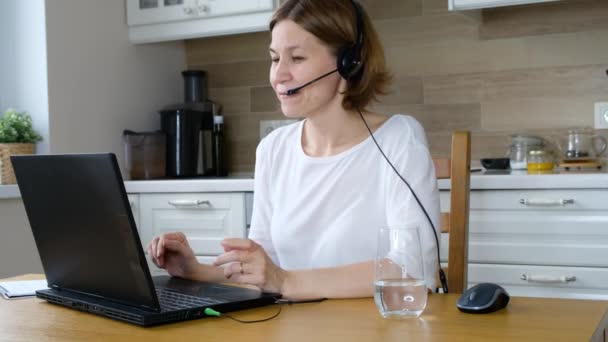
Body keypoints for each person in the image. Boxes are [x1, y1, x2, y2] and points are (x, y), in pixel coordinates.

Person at [147, 0, 440, 300]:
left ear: (349, 63)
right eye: (275, 59)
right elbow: (264, 271)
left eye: (296, 58)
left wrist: (285, 282)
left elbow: (414, 269)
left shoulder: (399, 139)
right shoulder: (273, 150)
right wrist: (194, 271)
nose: (278, 75)